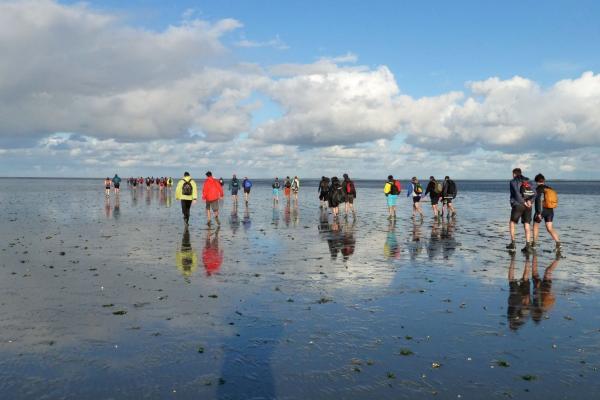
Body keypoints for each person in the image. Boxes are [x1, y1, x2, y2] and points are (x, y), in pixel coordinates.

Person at [507, 168, 534, 253]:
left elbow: (516, 193)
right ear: (521, 173)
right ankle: (528, 245)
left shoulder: (513, 182)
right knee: (527, 224)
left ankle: (513, 243)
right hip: (529, 206)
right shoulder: (529, 181)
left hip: (518, 205)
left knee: (512, 222)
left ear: (514, 174)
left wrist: (523, 202)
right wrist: (530, 202)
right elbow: (534, 193)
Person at [533, 173, 561, 253]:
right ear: (543, 181)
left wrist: (538, 212)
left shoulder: (538, 189)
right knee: (550, 228)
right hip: (550, 211)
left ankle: (534, 244)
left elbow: (538, 200)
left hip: (541, 210)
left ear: (536, 181)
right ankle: (558, 243)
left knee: (536, 226)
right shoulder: (549, 188)